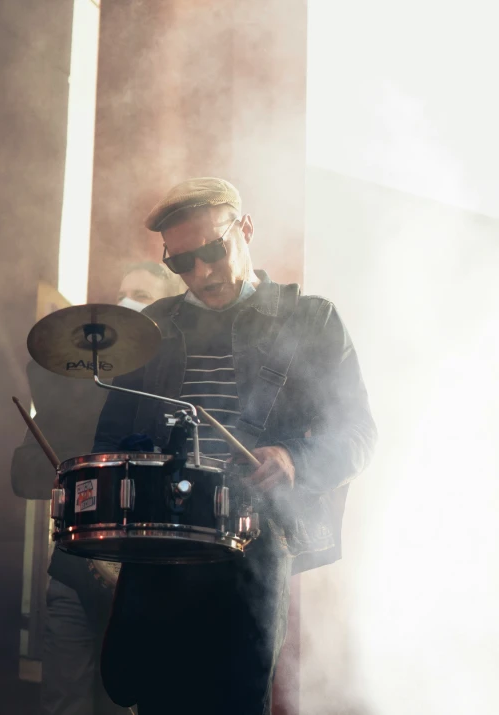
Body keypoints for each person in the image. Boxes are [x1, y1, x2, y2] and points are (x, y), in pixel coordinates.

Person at [95, 177, 378, 715]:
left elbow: (360, 433)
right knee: (151, 696)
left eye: (211, 252)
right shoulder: (152, 328)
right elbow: (110, 438)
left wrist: (296, 461)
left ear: (244, 229)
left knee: (235, 700)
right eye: (181, 263)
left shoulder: (311, 319)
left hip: (253, 540)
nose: (200, 274)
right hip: (162, 546)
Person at [11, 262, 182, 715]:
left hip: (145, 577)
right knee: (63, 702)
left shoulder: (173, 392)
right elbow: (23, 473)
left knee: (124, 703)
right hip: (73, 568)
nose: (125, 306)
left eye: (141, 297)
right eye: (122, 294)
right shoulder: (74, 390)